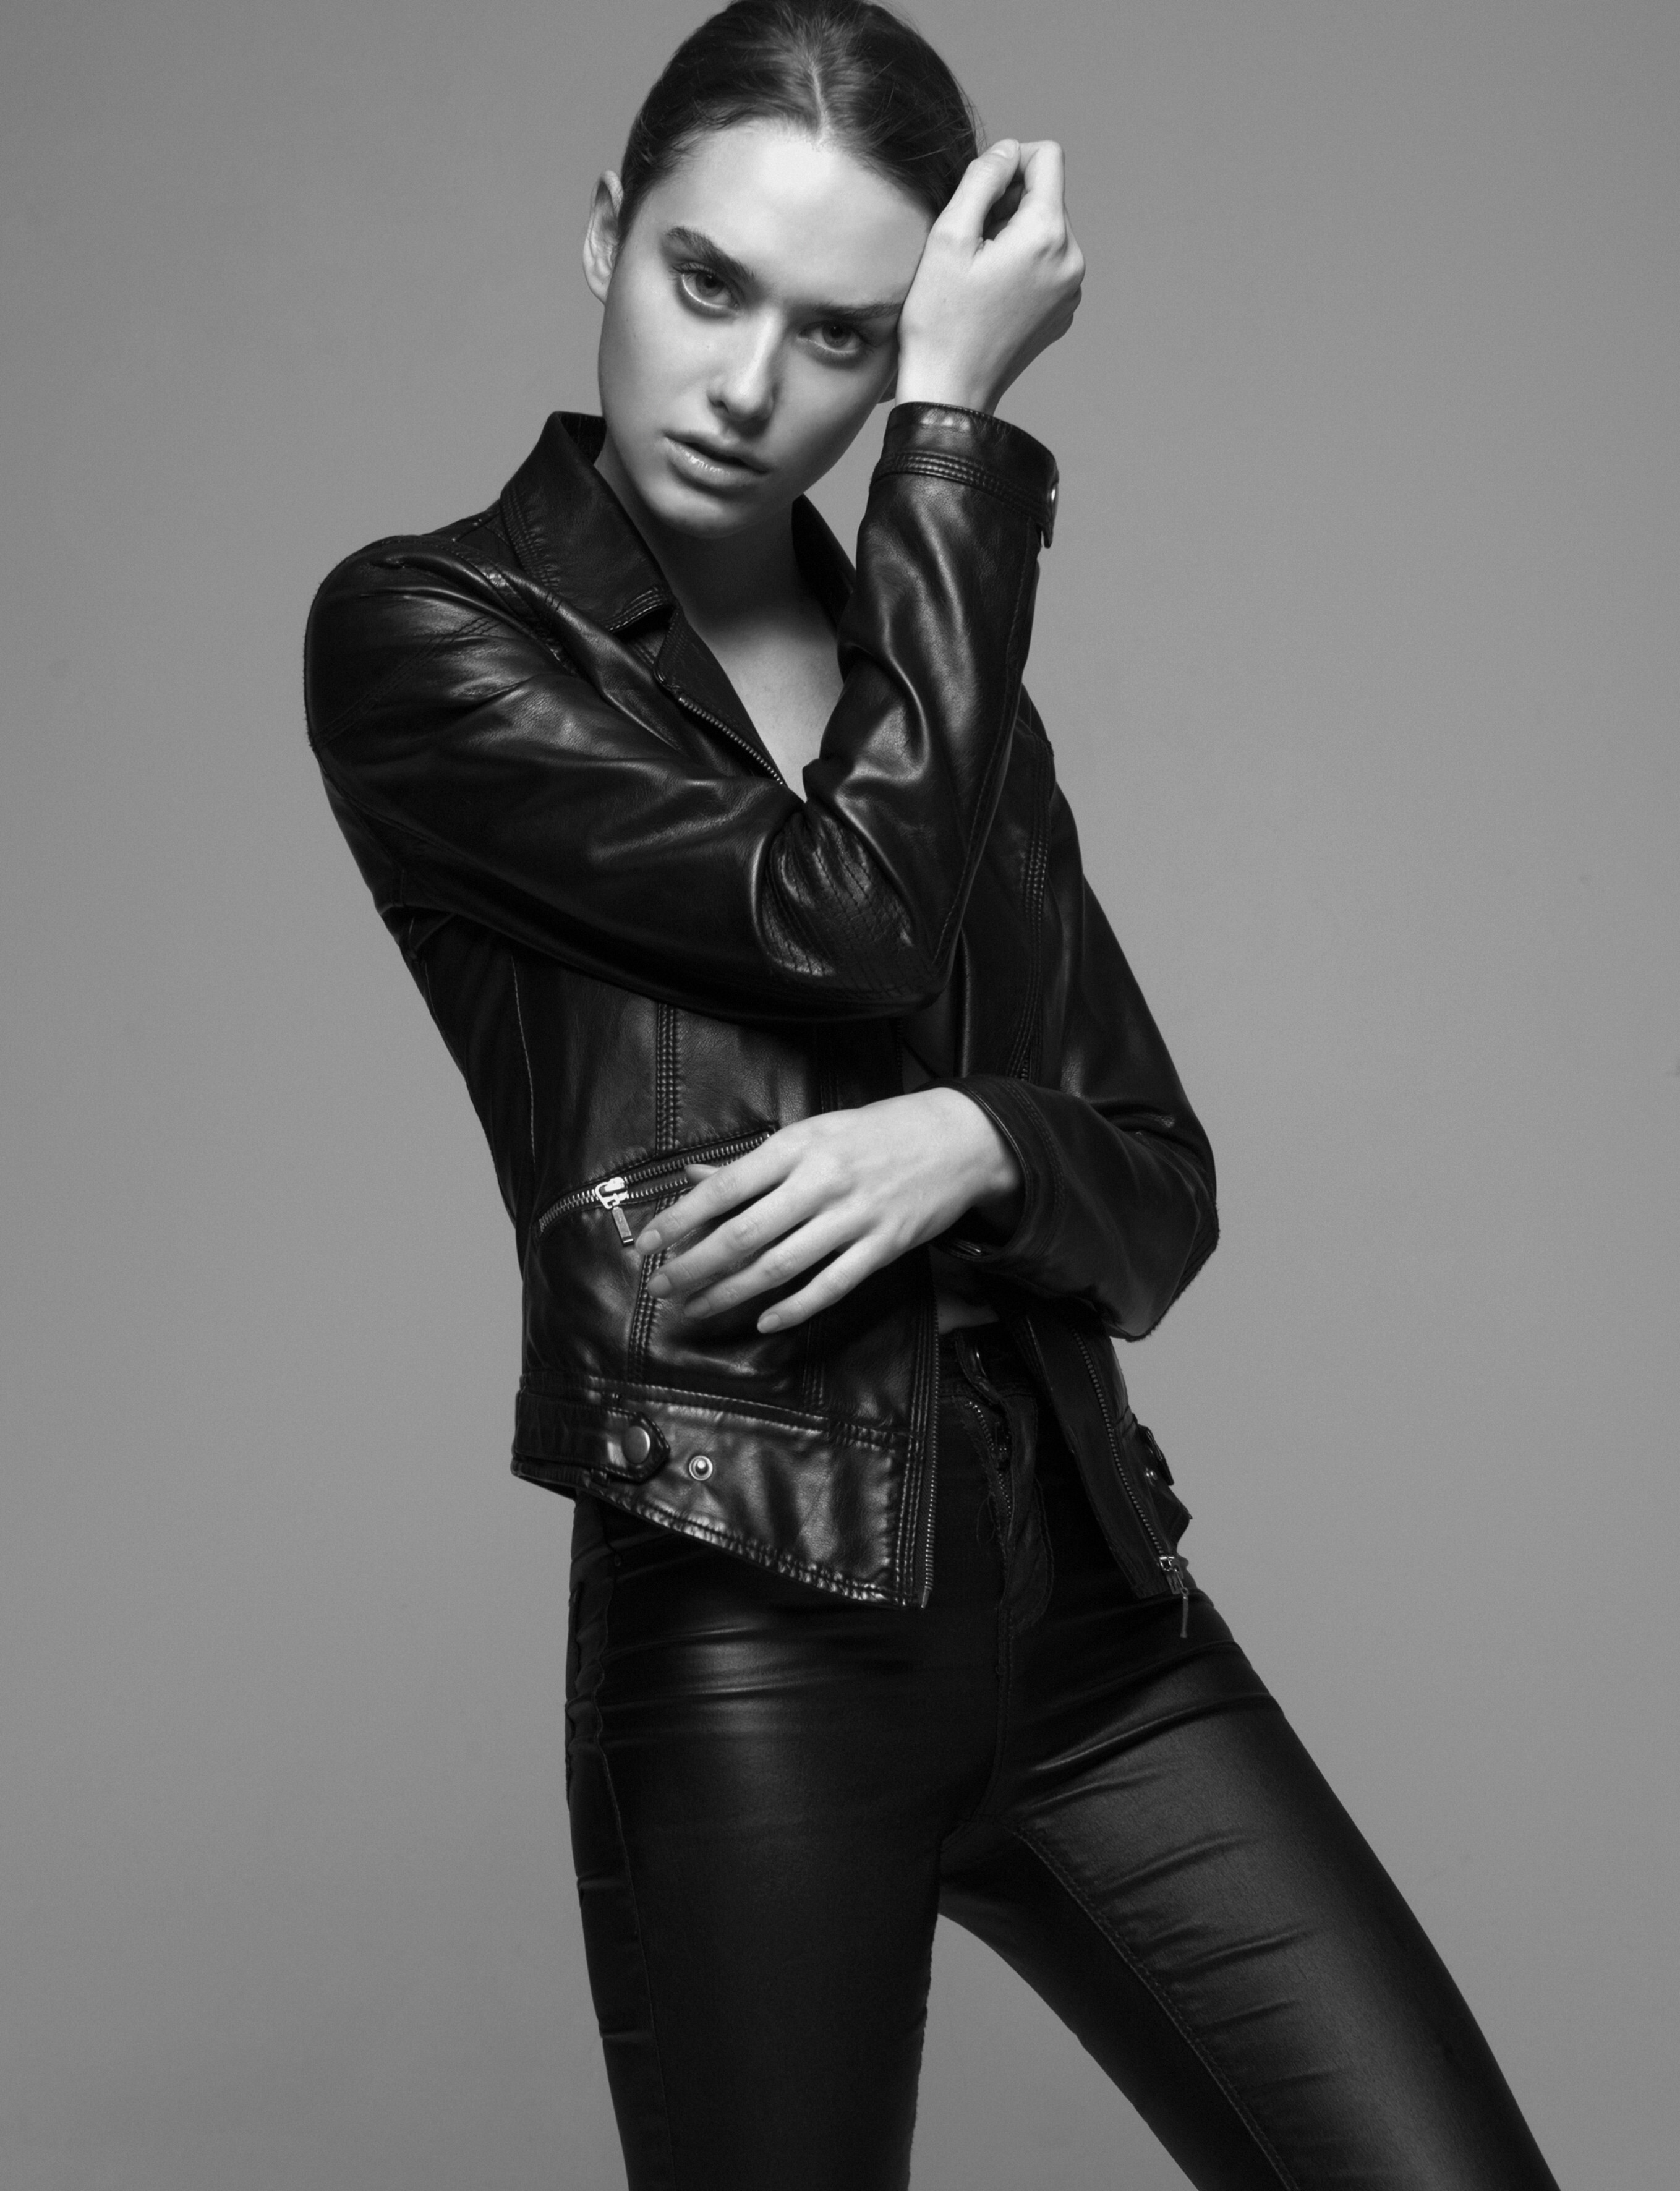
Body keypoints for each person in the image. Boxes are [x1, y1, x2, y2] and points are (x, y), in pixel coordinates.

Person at [304, 4, 1561, 2184]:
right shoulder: (435, 635)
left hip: (1098, 1625)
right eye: (706, 281)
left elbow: (1154, 1189)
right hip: (754, 1630)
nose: (746, 384)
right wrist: (958, 428)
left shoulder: (942, 695)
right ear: (605, 231)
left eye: (846, 338)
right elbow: (849, 923)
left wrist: (974, 1140)